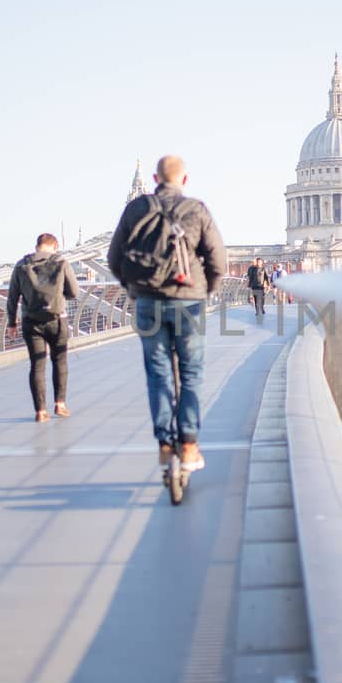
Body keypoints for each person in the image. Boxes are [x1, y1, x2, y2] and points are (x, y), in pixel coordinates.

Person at [108, 154, 227, 473]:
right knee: (191, 373)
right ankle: (188, 443)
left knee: (158, 372)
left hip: (148, 301)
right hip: (189, 300)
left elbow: (114, 258)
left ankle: (164, 441)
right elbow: (218, 262)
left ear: (155, 179)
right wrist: (206, 290)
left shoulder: (136, 209)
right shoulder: (196, 209)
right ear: (184, 180)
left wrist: (133, 288)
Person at [6, 233, 79, 422]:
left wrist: (12, 323)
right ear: (54, 246)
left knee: (37, 365)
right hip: (57, 320)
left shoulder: (21, 265)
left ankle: (40, 411)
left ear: (37, 246)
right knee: (59, 360)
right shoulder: (61, 262)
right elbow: (74, 292)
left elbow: (13, 297)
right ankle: (60, 404)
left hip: (31, 321)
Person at [247, 257, 268, 321]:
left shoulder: (264, 269)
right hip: (254, 286)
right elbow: (250, 277)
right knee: (256, 299)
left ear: (262, 262)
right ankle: (257, 311)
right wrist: (249, 285)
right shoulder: (252, 269)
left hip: (261, 286)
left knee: (261, 299)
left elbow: (266, 278)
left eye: (259, 261)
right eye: (257, 261)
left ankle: (262, 308)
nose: (258, 263)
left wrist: (268, 285)